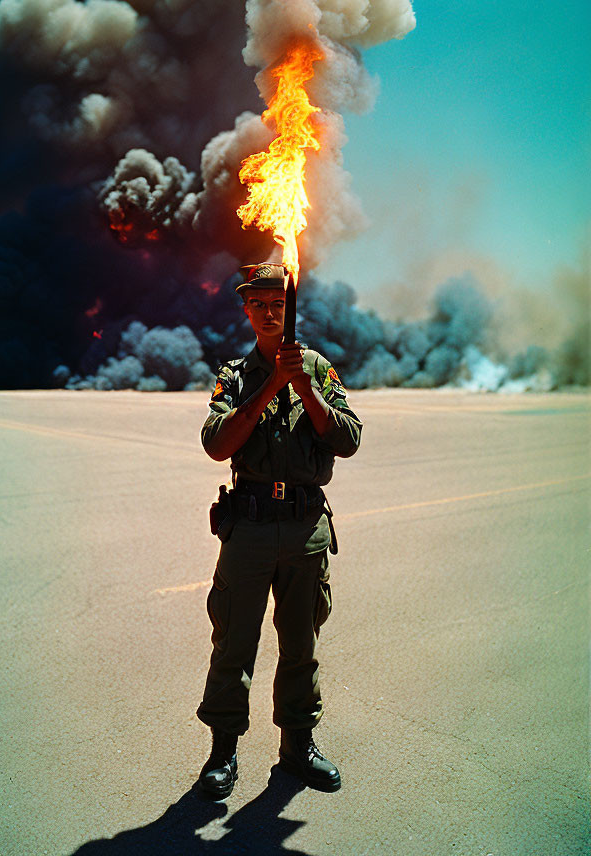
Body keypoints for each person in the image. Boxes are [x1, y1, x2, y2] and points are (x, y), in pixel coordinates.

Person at [197, 262, 362, 800]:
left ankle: (298, 747)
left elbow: (349, 438)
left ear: (291, 310)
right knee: (233, 643)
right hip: (248, 528)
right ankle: (223, 753)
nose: (270, 313)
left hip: (305, 529)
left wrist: (305, 389)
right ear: (246, 311)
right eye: (259, 304)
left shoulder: (318, 367)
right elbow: (217, 443)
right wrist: (272, 384)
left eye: (279, 304)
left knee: (301, 643)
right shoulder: (234, 375)